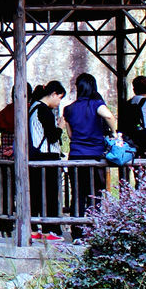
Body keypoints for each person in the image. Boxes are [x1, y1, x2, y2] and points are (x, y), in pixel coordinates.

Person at [60, 73, 116, 221]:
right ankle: (93, 228)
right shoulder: (96, 104)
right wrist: (115, 133)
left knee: (77, 193)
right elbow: (109, 116)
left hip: (76, 156)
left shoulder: (69, 109)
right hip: (95, 156)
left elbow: (71, 135)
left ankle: (77, 230)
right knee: (95, 194)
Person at [27, 80, 66, 242]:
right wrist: (61, 127)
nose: (59, 103)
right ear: (53, 94)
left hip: (35, 157)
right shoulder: (44, 111)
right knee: (50, 196)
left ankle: (35, 229)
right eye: (59, 98)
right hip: (46, 158)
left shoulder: (33, 108)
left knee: (36, 195)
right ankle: (51, 230)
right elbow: (52, 136)